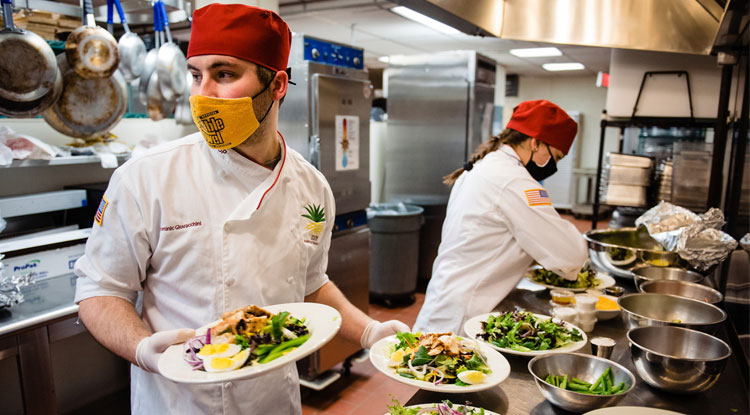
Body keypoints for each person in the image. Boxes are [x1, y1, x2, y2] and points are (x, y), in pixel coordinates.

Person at [73, 4, 408, 414]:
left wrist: (370, 332)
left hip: (272, 401)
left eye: (224, 74)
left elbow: (311, 285)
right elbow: (100, 290)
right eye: (196, 75)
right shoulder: (146, 178)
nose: (203, 94)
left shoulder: (311, 187)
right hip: (178, 402)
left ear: (278, 85)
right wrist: (144, 350)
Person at [413, 100, 588, 334]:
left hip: (444, 302)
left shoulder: (486, 166)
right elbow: (572, 255)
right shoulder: (515, 182)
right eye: (554, 157)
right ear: (536, 142)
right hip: (461, 319)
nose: (552, 166)